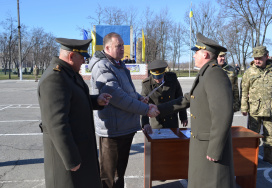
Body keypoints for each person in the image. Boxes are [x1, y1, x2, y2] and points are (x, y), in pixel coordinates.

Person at [158, 33, 235, 188]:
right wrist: (158, 109)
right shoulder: (206, 73)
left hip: (210, 147)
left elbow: (223, 113)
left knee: (211, 183)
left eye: (196, 52)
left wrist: (215, 149)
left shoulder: (214, 74)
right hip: (201, 143)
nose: (193, 56)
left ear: (205, 54)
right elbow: (188, 98)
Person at [38, 38, 112, 188]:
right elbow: (56, 123)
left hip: (79, 148)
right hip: (66, 158)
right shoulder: (55, 78)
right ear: (71, 56)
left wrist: (96, 100)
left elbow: (73, 101)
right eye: (82, 58)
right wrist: (71, 158)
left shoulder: (68, 73)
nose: (84, 62)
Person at [88, 32, 159, 188]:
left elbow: (128, 91)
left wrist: (139, 98)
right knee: (109, 176)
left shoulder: (118, 65)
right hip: (113, 130)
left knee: (119, 173)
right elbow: (117, 97)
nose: (122, 49)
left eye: (122, 45)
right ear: (107, 47)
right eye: (118, 46)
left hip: (124, 127)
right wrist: (145, 109)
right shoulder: (102, 66)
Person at [241, 46, 272, 164]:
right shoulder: (250, 72)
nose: (257, 60)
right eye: (255, 58)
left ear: (266, 57)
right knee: (252, 135)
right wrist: (244, 107)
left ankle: (269, 158)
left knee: (270, 137)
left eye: (260, 58)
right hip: (255, 109)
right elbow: (244, 90)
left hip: (270, 109)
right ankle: (251, 159)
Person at [141, 60, 188, 134]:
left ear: (164, 73)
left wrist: (183, 117)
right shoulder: (146, 84)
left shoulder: (172, 79)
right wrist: (145, 123)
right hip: (157, 122)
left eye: (160, 77)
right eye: (155, 77)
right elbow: (144, 104)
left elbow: (180, 98)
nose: (157, 80)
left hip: (172, 121)